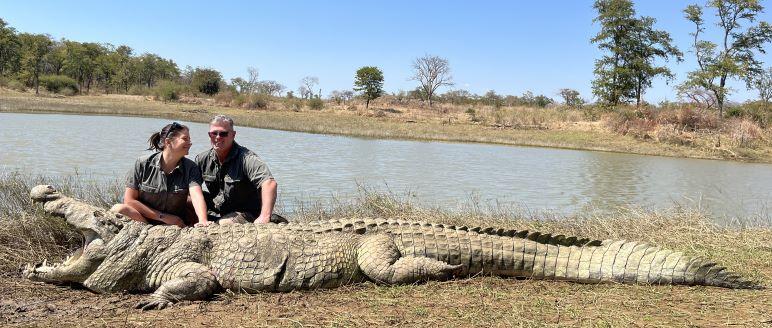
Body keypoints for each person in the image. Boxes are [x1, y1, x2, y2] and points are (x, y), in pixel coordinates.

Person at [112, 122, 210, 228]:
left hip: (176, 224)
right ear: (168, 142)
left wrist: (203, 220)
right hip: (144, 220)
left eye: (189, 139)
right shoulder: (143, 163)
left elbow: (196, 195)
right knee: (119, 209)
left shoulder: (191, 167)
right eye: (185, 139)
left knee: (190, 202)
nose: (190, 143)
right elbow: (129, 200)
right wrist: (163, 217)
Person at [194, 115, 281, 224]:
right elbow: (192, 187)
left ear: (233, 135)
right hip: (219, 208)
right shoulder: (202, 159)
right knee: (186, 199)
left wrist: (264, 216)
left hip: (246, 213)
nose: (217, 137)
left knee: (224, 223)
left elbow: (270, 183)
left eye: (223, 133)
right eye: (213, 133)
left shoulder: (247, 158)